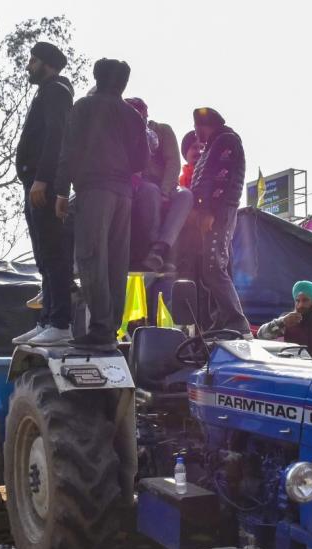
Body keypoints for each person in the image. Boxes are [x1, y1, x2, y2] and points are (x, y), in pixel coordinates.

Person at [54, 58, 149, 350]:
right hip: (124, 194)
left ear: (97, 78)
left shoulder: (85, 106)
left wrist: (60, 191)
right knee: (116, 262)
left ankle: (100, 329)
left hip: (95, 189)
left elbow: (68, 149)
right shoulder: (133, 115)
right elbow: (141, 160)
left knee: (91, 256)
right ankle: (108, 329)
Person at [13, 42, 76, 347]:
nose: (29, 66)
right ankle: (48, 319)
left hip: (44, 185)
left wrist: (42, 179)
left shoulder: (56, 91)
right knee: (42, 255)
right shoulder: (46, 91)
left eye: (33, 61)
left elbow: (56, 136)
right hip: (34, 183)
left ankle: (61, 322)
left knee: (53, 253)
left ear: (47, 64)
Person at [189, 107, 251, 336]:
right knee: (215, 267)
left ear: (206, 125)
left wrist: (208, 211)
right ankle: (222, 320)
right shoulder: (217, 143)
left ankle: (236, 321)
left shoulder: (226, 141)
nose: (196, 133)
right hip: (218, 211)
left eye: (197, 127)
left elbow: (220, 179)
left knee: (214, 267)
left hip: (219, 211)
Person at [124, 98, 195, 274]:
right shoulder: (123, 133)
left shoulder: (162, 130)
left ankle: (161, 248)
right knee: (150, 191)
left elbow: (173, 162)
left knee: (186, 195)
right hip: (140, 186)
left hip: (166, 184)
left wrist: (166, 190)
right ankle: (152, 249)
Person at [257, 280, 312, 359]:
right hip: (295, 369)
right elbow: (261, 335)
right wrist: (281, 322)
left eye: (305, 300)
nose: (300, 305)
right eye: (297, 301)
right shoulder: (287, 319)